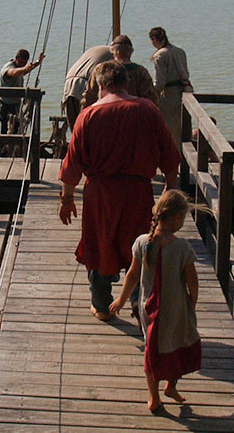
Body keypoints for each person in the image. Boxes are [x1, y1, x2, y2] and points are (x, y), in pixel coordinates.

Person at [58, 61, 181, 322]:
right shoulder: (148, 110)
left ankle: (102, 306)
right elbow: (170, 158)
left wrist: (67, 199)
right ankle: (139, 303)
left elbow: (72, 165)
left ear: (101, 86)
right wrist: (169, 194)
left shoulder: (88, 115)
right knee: (139, 246)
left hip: (101, 195)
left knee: (100, 246)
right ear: (125, 83)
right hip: (138, 193)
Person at [109, 190, 202, 413]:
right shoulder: (182, 249)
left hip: (147, 308)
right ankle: (169, 387)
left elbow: (132, 275)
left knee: (152, 350)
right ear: (177, 218)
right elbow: (193, 282)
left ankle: (156, 395)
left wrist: (121, 299)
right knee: (179, 344)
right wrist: (192, 302)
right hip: (175, 308)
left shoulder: (142, 242)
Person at [81, 34, 157, 109]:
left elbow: (89, 96)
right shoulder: (140, 71)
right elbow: (151, 98)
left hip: (106, 112)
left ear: (113, 51)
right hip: (134, 113)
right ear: (130, 51)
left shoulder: (101, 69)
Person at [149, 27, 192, 148]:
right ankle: (180, 155)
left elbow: (159, 84)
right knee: (181, 129)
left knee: (167, 128)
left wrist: (150, 94)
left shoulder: (160, 56)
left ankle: (170, 157)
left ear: (154, 39)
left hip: (169, 96)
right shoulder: (180, 51)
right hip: (185, 93)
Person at [61, 45, 113, 129]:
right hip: (87, 81)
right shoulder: (116, 57)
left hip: (69, 81)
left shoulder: (96, 49)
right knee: (90, 125)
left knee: (76, 128)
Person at [0, 48, 44, 133]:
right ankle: (4, 146)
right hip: (5, 106)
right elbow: (13, 73)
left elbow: (23, 71)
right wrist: (25, 68)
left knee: (17, 130)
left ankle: (15, 145)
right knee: (6, 130)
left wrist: (37, 63)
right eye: (21, 62)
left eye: (25, 63)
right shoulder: (9, 67)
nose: (23, 65)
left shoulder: (19, 68)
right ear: (16, 58)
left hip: (15, 106)